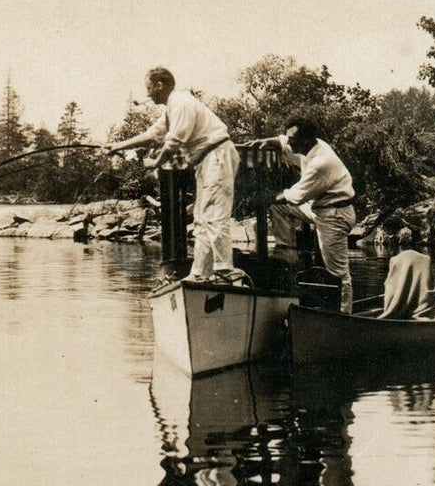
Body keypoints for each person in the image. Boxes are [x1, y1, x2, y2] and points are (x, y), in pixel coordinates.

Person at [106, 67, 239, 281]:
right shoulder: (172, 107)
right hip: (206, 161)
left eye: (149, 88)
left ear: (160, 85)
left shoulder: (181, 102)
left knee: (214, 216)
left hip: (217, 156)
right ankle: (200, 274)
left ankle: (224, 272)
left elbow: (175, 140)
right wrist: (118, 146)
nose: (148, 94)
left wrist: (155, 163)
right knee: (201, 219)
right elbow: (153, 134)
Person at [259, 118, 356, 312]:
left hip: (334, 215)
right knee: (280, 209)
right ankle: (288, 257)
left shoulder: (321, 162)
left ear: (306, 139)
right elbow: (283, 141)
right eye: (289, 138)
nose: (289, 142)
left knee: (338, 273)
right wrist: (267, 141)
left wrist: (267, 197)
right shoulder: (312, 146)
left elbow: (295, 196)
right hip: (320, 209)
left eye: (293, 138)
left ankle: (345, 316)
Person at [379, 228, 433, 319]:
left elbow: (390, 287)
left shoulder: (394, 260)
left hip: (397, 306)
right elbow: (430, 285)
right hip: (421, 305)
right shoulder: (426, 259)